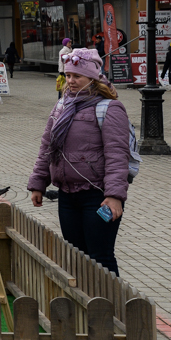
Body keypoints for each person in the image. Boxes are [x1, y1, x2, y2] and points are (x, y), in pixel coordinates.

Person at [28, 48, 130, 275]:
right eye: (68, 75)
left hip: (98, 196)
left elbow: (117, 155)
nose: (71, 81)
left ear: (92, 78)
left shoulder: (109, 108)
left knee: (100, 256)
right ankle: (85, 297)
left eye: (77, 76)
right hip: (67, 195)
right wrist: (38, 183)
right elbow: (47, 147)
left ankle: (107, 298)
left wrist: (114, 196)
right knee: (76, 256)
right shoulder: (62, 106)